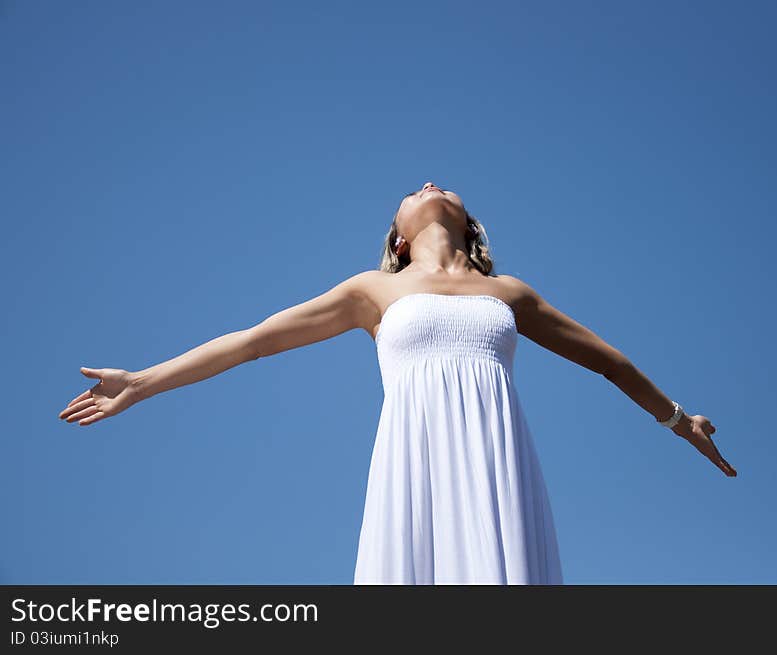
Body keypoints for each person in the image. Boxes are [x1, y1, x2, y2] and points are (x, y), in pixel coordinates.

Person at [58, 180, 736, 584]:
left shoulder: (510, 292)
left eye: (439, 186)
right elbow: (255, 341)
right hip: (416, 471)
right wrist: (142, 381)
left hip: (497, 472)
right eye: (413, 191)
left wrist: (678, 418)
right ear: (399, 239)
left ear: (469, 225)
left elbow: (610, 361)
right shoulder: (373, 290)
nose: (428, 181)